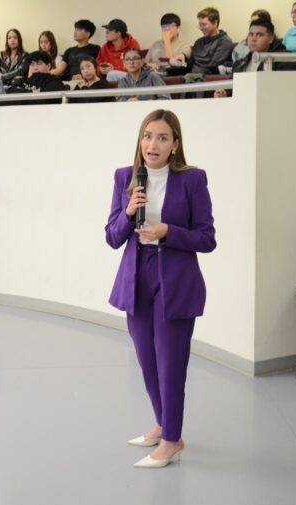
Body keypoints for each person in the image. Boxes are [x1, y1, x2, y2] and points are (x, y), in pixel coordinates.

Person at [106, 109, 215, 469]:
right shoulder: (125, 177)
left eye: (163, 137)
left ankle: (172, 440)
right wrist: (127, 212)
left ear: (175, 144)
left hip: (176, 277)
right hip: (136, 276)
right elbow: (112, 237)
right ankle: (163, 424)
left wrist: (167, 231)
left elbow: (206, 238)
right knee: (147, 362)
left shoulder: (192, 180)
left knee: (170, 365)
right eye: (148, 136)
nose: (153, 144)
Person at [188, 7, 233, 74]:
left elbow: (213, 66)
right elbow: (190, 64)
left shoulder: (224, 41)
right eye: (200, 25)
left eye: (204, 24)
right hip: (191, 76)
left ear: (215, 23)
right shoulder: (198, 42)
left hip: (207, 78)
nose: (201, 28)